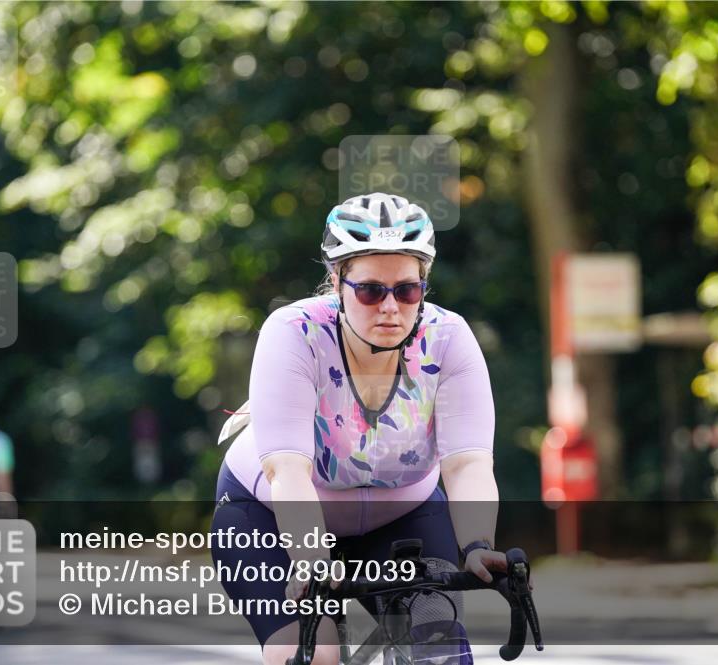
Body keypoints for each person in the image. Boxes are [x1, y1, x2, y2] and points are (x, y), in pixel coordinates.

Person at [213, 192, 505, 665]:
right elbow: (286, 468)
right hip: (269, 514)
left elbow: (468, 461)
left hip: (402, 515)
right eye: (370, 290)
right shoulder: (294, 332)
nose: (390, 307)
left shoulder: (448, 338)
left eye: (408, 290)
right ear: (337, 282)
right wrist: (309, 556)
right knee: (314, 655)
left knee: (438, 649)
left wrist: (477, 546)